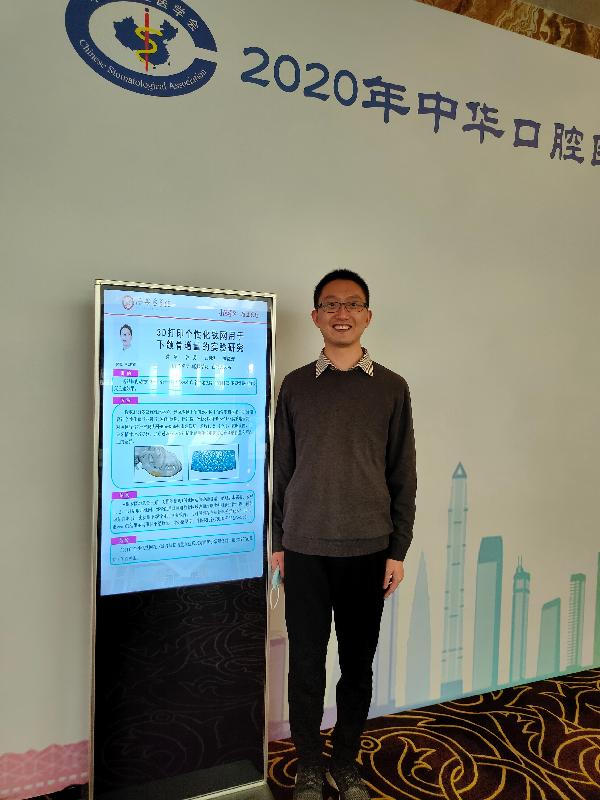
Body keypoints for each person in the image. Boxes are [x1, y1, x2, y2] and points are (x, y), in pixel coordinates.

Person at [271, 269, 416, 800]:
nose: (342, 313)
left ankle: (346, 759)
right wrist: (278, 542)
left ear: (367, 316)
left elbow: (403, 473)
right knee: (306, 664)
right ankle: (309, 763)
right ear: (316, 317)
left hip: (369, 549)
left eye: (352, 304)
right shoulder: (295, 385)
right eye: (331, 304)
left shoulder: (392, 388)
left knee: (357, 664)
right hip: (304, 548)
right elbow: (281, 469)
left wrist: (397, 550)